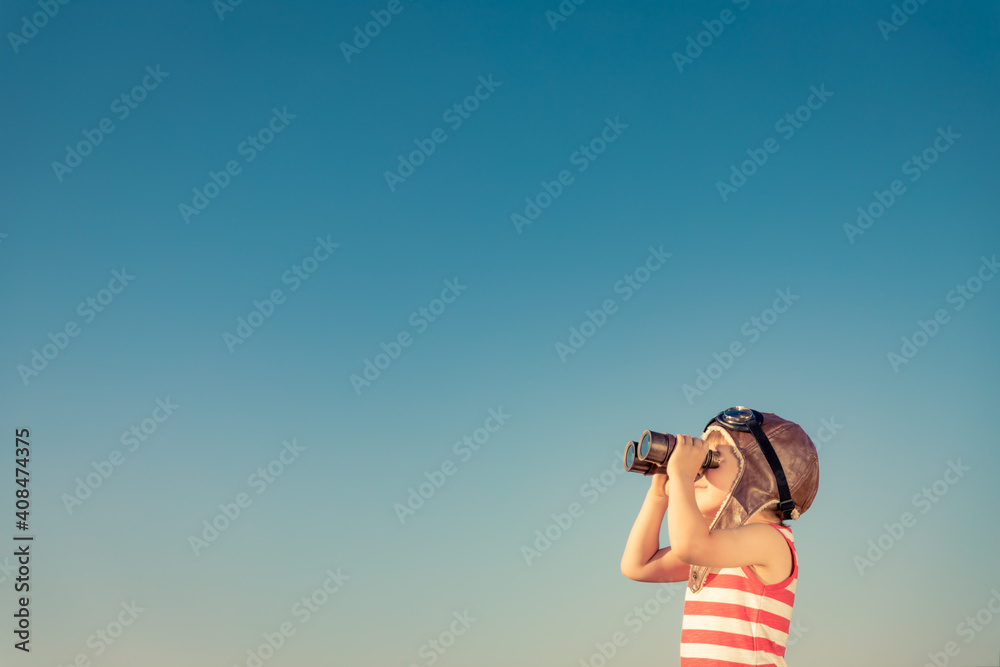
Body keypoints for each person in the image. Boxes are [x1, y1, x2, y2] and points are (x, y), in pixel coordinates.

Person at [620, 408, 819, 666]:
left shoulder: (769, 540)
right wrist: (658, 496)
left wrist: (681, 475)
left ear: (757, 474)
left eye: (711, 460)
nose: (697, 471)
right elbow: (638, 565)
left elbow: (689, 545)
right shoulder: (714, 549)